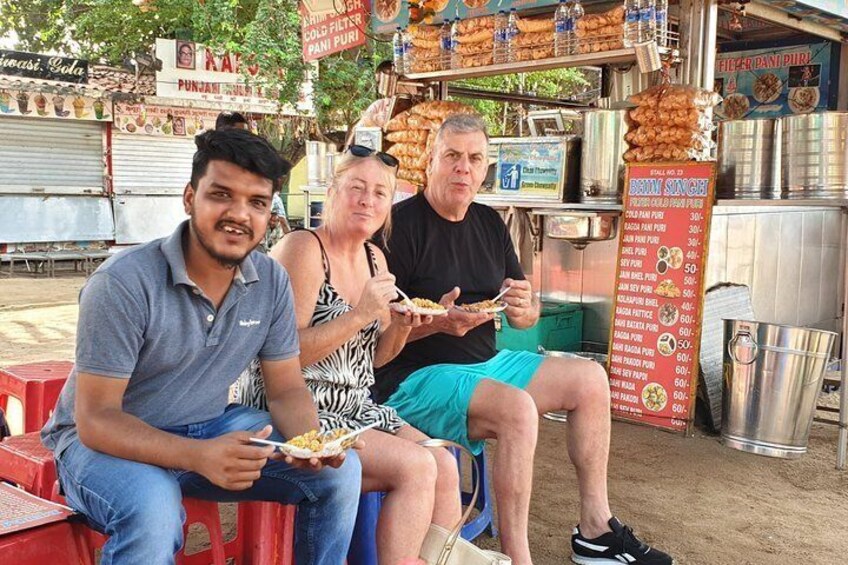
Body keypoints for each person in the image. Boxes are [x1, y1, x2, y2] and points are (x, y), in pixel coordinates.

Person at [41, 128, 362, 565]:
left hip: (207, 426)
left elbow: (286, 388)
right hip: (104, 445)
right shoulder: (123, 283)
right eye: (221, 195)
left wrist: (310, 444)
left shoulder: (269, 281)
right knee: (153, 507)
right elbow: (97, 420)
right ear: (190, 197)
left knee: (340, 477)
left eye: (257, 202)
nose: (239, 215)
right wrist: (197, 456)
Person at [374, 114, 674, 565]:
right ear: (429, 162)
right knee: (516, 410)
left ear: (486, 167)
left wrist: (524, 307)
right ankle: (519, 558)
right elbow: (377, 334)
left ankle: (595, 529)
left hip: (485, 363)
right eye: (452, 156)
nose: (463, 168)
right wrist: (438, 323)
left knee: (591, 378)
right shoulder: (398, 227)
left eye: (474, 159)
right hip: (413, 376)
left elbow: (522, 313)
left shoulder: (490, 223)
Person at [237, 145, 462, 564]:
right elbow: (282, 358)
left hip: (356, 407)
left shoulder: (375, 258)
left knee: (445, 464)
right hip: (296, 411)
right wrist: (360, 315)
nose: (367, 200)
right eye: (356, 188)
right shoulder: (302, 250)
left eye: (380, 193)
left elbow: (373, 359)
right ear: (333, 191)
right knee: (416, 467)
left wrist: (402, 326)